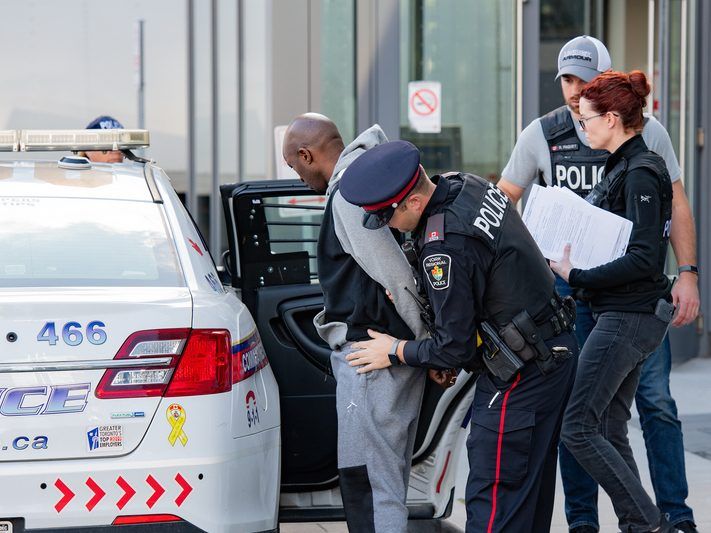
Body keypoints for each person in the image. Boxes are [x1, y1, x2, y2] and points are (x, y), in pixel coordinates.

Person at [497, 35, 698, 533]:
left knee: (594, 420)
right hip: (592, 300)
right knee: (604, 422)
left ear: (609, 108)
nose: (574, 96)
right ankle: (605, 522)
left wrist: (687, 273)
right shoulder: (564, 141)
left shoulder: (643, 159)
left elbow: (645, 252)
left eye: (585, 87)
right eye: (567, 79)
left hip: (624, 307)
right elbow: (505, 203)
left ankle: (659, 519)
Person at [339, 140, 579, 532]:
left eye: (386, 218)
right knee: (527, 494)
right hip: (551, 351)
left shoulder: (444, 247)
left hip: (521, 374)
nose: (387, 228)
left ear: (413, 203)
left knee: (495, 497)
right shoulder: (467, 185)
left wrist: (397, 351)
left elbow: (455, 345)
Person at [282, 114, 431, 533]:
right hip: (392, 353)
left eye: (294, 166)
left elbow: (395, 275)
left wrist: (427, 346)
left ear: (307, 155)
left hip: (371, 358)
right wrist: (424, 348)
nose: (297, 177)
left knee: (368, 487)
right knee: (385, 482)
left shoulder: (349, 194)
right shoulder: (373, 178)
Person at [551, 70, 677, 533]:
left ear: (611, 118)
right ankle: (642, 523)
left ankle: (647, 523)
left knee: (578, 427)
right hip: (622, 312)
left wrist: (576, 275)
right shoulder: (623, 165)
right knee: (604, 427)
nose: (582, 128)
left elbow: (645, 258)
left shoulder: (642, 170)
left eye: (586, 120)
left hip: (629, 315)